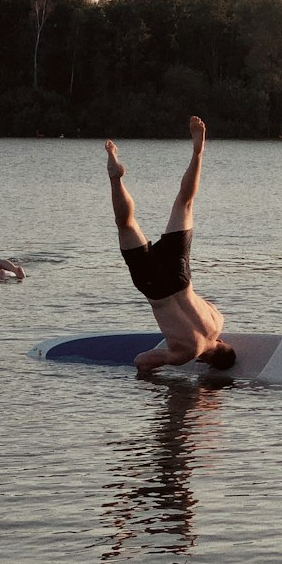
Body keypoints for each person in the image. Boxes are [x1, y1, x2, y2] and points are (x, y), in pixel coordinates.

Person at [105, 115, 236, 375]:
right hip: (155, 289)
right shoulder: (187, 354)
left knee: (184, 203)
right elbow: (141, 361)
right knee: (126, 224)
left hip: (180, 279)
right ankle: (115, 179)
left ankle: (198, 153)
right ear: (206, 361)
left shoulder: (217, 321)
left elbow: (201, 302)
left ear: (221, 343)